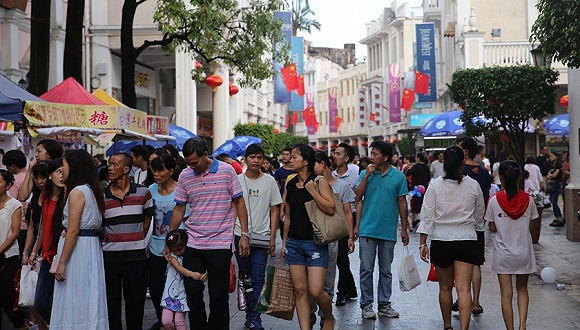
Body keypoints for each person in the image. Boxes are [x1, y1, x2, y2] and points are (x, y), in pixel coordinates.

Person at [165, 137, 250, 330]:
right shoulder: (186, 175)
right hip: (193, 242)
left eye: (194, 162)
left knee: (218, 296)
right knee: (193, 292)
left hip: (220, 243)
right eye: (187, 162)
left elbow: (239, 203)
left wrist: (244, 234)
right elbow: (179, 208)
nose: (191, 166)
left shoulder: (227, 171)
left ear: (205, 155)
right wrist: (169, 240)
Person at [418, 146, 485, 330]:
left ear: (444, 163)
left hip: (441, 240)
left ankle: (448, 326)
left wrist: (423, 243)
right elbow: (480, 216)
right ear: (463, 162)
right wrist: (475, 230)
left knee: (445, 287)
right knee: (464, 288)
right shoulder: (473, 185)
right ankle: (464, 328)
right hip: (466, 239)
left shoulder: (435, 185)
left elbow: (427, 217)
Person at [51, 149, 109, 329]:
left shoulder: (77, 192)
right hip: (90, 248)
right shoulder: (93, 190)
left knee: (74, 295)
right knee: (89, 296)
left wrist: (62, 262)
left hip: (78, 250)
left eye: (65, 165)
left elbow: (73, 230)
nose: (63, 170)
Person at [281, 145, 335, 330]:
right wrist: (284, 242)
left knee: (316, 290)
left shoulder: (319, 181)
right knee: (300, 290)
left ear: (305, 161)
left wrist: (312, 191)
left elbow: (330, 208)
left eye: (294, 157)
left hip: (315, 242)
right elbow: (287, 216)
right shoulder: (289, 183)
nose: (290, 160)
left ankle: (328, 317)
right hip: (294, 243)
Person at [354, 141, 409, 319]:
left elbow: (402, 202)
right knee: (366, 269)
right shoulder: (365, 173)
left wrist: (404, 228)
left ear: (385, 157)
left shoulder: (398, 177)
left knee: (386, 270)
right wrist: (366, 176)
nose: (372, 157)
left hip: (388, 230)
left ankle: (384, 304)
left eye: (376, 154)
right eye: (372, 153)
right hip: (367, 229)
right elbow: (357, 196)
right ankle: (366, 305)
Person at [102, 153, 154, 330]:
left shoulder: (143, 192)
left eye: (115, 164)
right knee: (111, 302)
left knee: (136, 301)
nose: (110, 167)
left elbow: (147, 219)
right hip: (109, 256)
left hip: (136, 256)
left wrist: (135, 238)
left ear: (126, 169)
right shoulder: (102, 195)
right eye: (109, 164)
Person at [485, 160, 538, 330]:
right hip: (524, 252)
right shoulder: (529, 200)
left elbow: (492, 228)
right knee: (522, 289)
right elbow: (532, 224)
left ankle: (511, 329)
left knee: (506, 294)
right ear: (518, 177)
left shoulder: (494, 201)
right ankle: (522, 326)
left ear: (501, 177)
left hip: (503, 255)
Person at [235, 144, 282, 330]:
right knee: (245, 277)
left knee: (258, 278)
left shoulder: (269, 181)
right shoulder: (236, 180)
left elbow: (275, 210)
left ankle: (255, 317)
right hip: (240, 235)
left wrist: (273, 237)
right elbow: (233, 208)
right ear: (245, 159)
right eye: (252, 157)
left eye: (259, 157)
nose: (256, 160)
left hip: (262, 237)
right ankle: (250, 314)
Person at [312, 151, 355, 326]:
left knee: (329, 278)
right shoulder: (310, 185)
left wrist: (350, 236)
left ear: (323, 164)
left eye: (313, 164)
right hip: (313, 239)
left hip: (333, 238)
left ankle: (325, 314)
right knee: (313, 282)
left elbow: (347, 212)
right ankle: (311, 312)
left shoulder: (342, 186)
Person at [147, 153, 188, 330]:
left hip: (176, 248)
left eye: (160, 170)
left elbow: (186, 218)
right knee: (155, 288)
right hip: (155, 246)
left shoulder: (181, 190)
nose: (156, 174)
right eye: (154, 170)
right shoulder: (150, 190)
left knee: (177, 286)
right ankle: (163, 321)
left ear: (171, 171)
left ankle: (177, 320)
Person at [27, 159, 65, 330]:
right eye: (58, 171)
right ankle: (61, 324)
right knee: (41, 303)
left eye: (63, 171)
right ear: (51, 175)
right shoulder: (46, 198)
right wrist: (34, 252)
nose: (62, 175)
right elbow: (42, 228)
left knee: (57, 299)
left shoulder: (69, 197)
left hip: (62, 255)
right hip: (47, 255)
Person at [455, 136, 490, 315]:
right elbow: (486, 196)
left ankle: (462, 298)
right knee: (476, 263)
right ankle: (475, 303)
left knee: (460, 263)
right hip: (478, 222)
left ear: (465, 151)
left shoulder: (458, 170)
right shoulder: (483, 172)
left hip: (460, 224)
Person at [162, 229, 207, 330]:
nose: (177, 252)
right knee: (166, 321)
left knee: (179, 322)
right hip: (170, 294)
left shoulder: (191, 256)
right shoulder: (172, 256)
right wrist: (192, 274)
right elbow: (178, 268)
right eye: (174, 250)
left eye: (180, 249)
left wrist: (205, 274)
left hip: (182, 294)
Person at [331, 143, 358, 306]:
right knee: (339, 258)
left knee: (342, 257)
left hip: (349, 215)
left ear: (346, 158)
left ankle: (342, 292)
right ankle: (351, 289)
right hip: (333, 217)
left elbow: (359, 200)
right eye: (334, 152)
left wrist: (355, 226)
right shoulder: (330, 173)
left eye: (338, 153)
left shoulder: (355, 172)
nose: (335, 155)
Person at [0, 169, 27, 330]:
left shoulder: (14, 205)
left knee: (7, 294)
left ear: (9, 184)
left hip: (8, 255)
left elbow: (15, 232)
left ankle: (20, 324)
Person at [3, 149, 29, 257]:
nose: (6, 169)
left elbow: (11, 200)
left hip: (19, 224)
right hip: (28, 224)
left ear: (13, 166)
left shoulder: (14, 180)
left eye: (7, 166)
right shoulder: (30, 176)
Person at [406, 152, 430, 227]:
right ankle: (415, 219)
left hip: (416, 188)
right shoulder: (426, 167)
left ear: (418, 158)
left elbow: (408, 173)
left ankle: (415, 217)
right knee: (421, 202)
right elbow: (429, 177)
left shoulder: (416, 166)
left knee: (414, 202)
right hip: (423, 188)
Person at [547, 151, 564, 227]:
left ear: (556, 157)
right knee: (552, 201)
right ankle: (556, 217)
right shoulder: (551, 165)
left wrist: (551, 176)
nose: (550, 157)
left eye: (552, 156)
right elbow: (548, 176)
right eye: (550, 156)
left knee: (554, 201)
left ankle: (559, 217)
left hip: (556, 184)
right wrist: (550, 176)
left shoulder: (558, 165)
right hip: (551, 185)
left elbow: (554, 175)